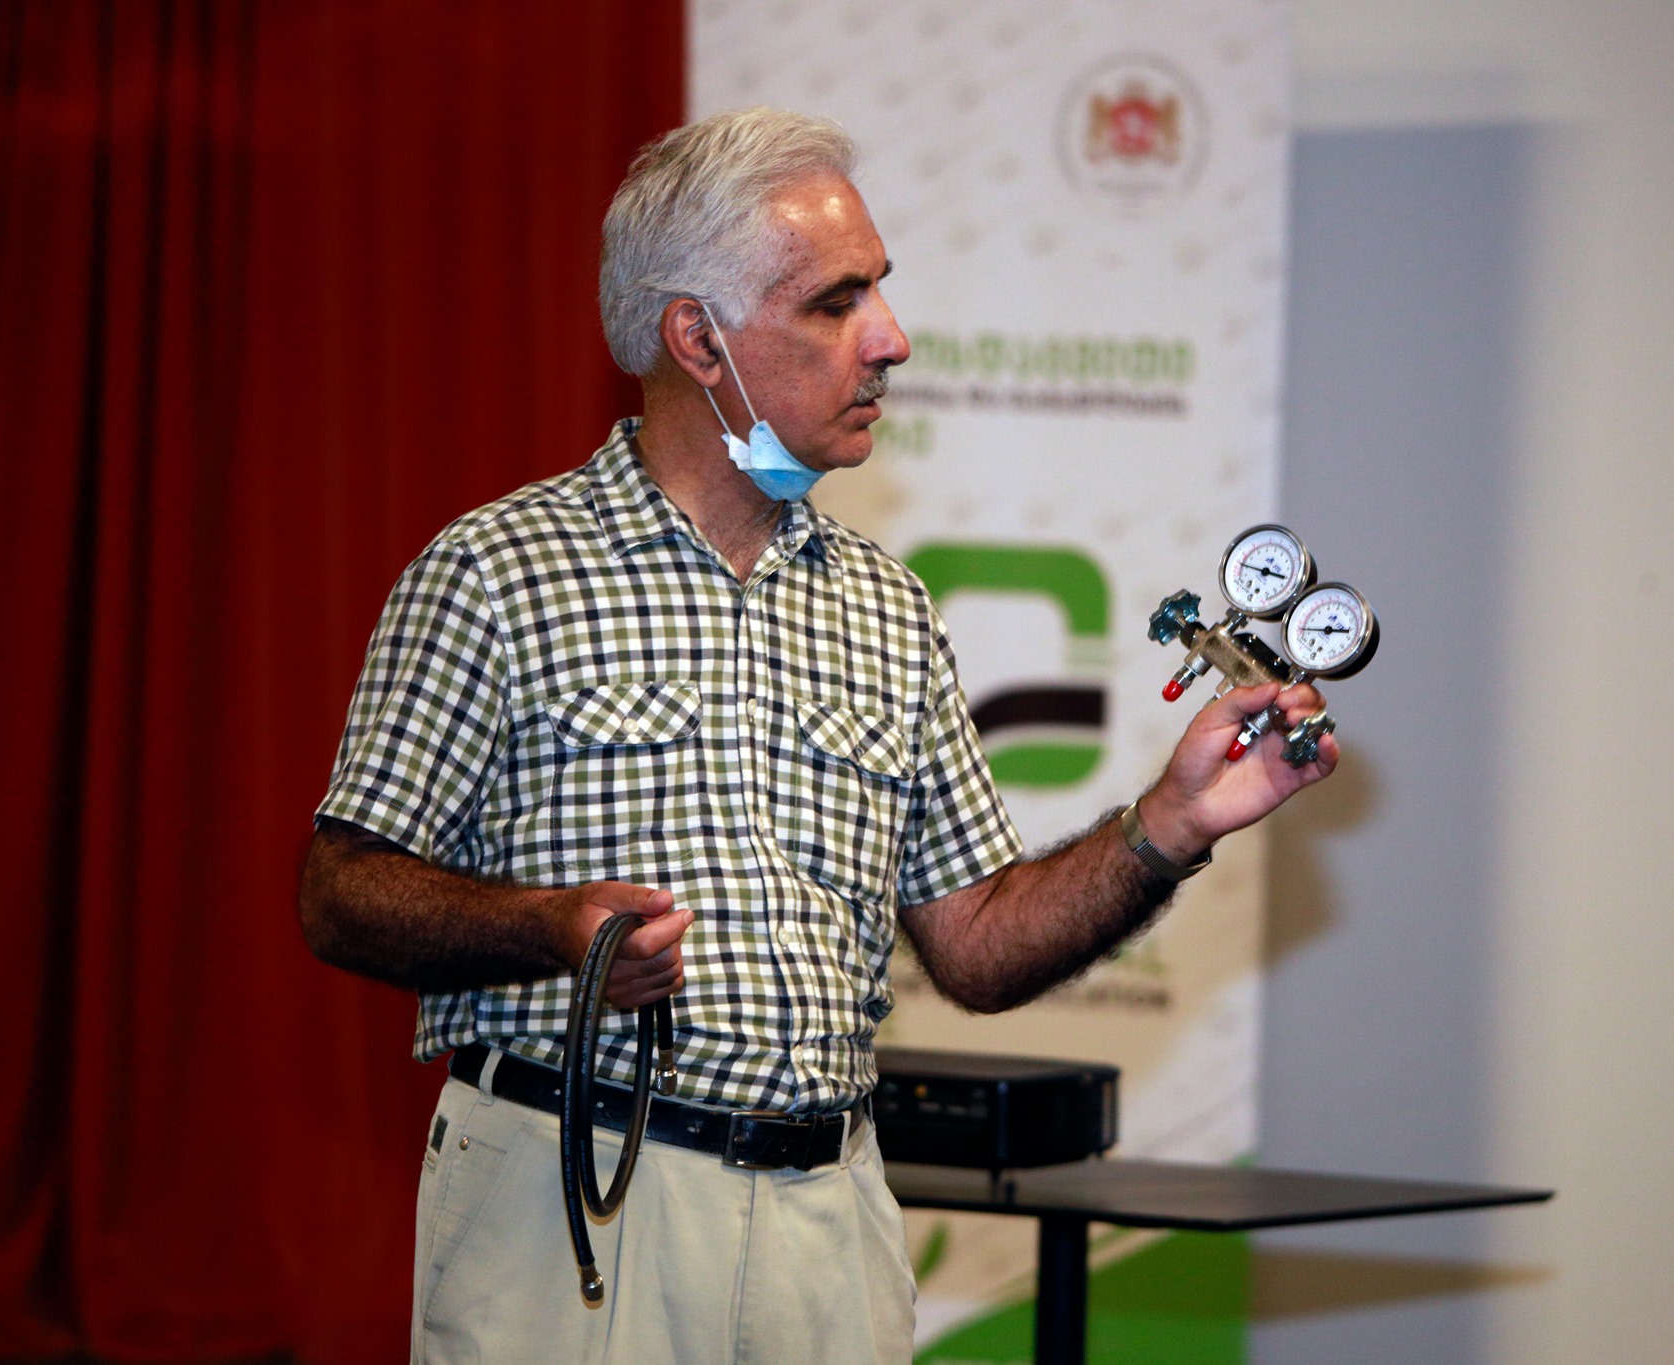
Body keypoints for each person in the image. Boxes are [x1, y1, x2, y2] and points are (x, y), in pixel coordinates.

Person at [298, 107, 1334, 1365]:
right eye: (836, 303)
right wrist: (554, 928)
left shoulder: (884, 606)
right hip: (578, 1199)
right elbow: (341, 892)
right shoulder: (498, 572)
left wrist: (1169, 825)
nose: (890, 339)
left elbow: (977, 945)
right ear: (698, 339)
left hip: (828, 1220)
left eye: (878, 291)